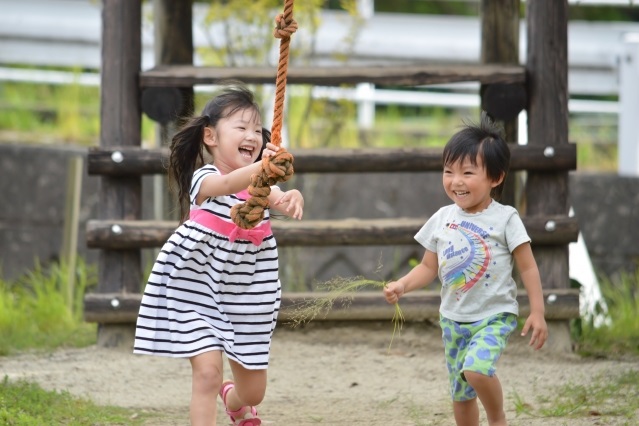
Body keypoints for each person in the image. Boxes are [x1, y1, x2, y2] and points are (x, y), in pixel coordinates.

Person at [133, 83, 304, 426]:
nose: (252, 136)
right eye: (241, 128)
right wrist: (262, 170)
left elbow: (277, 196)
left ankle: (236, 402)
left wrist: (292, 195)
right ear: (210, 136)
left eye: (257, 130)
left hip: (247, 291)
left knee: (254, 392)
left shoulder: (261, 185)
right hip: (196, 287)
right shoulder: (206, 177)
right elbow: (226, 186)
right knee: (207, 374)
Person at [383, 112, 548, 426]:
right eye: (448, 171)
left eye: (468, 173)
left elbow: (528, 268)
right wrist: (402, 285)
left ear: (495, 178)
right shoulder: (443, 217)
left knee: (476, 369)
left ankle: (497, 418)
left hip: (493, 315)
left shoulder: (506, 218)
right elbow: (429, 266)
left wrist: (537, 311)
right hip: (453, 319)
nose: (456, 181)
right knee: (461, 394)